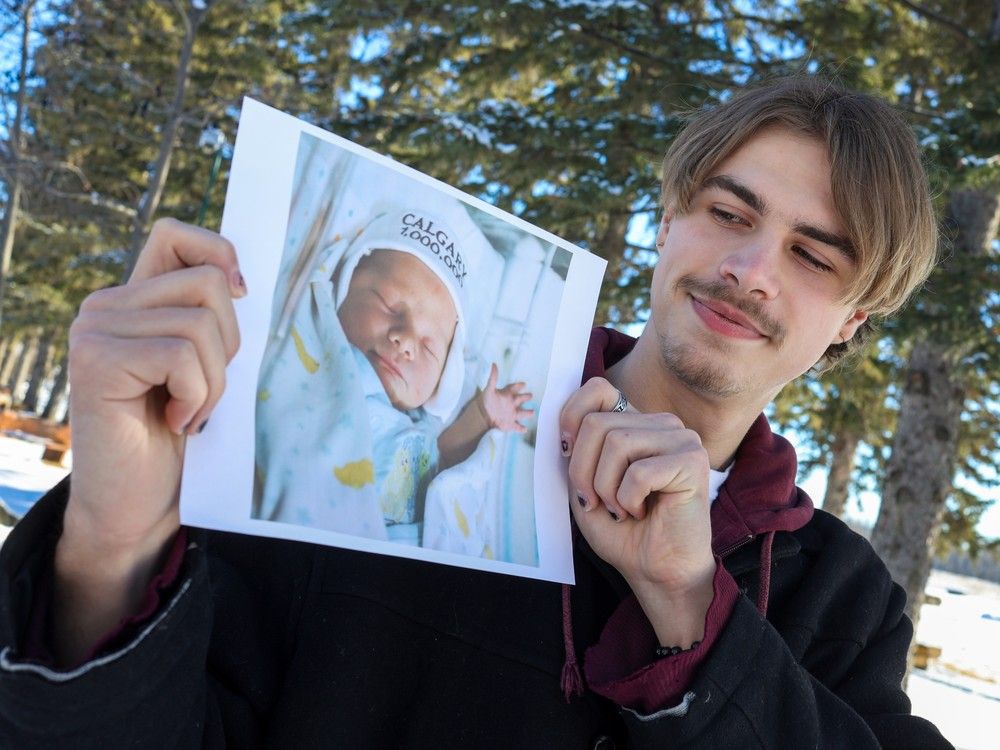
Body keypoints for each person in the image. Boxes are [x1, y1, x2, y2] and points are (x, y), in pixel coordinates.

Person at [0, 76, 954, 748]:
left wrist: (697, 616)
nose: (750, 272)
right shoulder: (384, 411)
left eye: (813, 256)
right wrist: (107, 544)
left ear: (852, 322)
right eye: (731, 214)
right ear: (669, 221)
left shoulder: (842, 601)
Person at [253, 206, 532, 540]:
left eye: (429, 346)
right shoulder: (310, 355)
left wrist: (482, 415)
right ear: (341, 290)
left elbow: (442, 463)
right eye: (387, 305)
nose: (406, 342)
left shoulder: (420, 429)